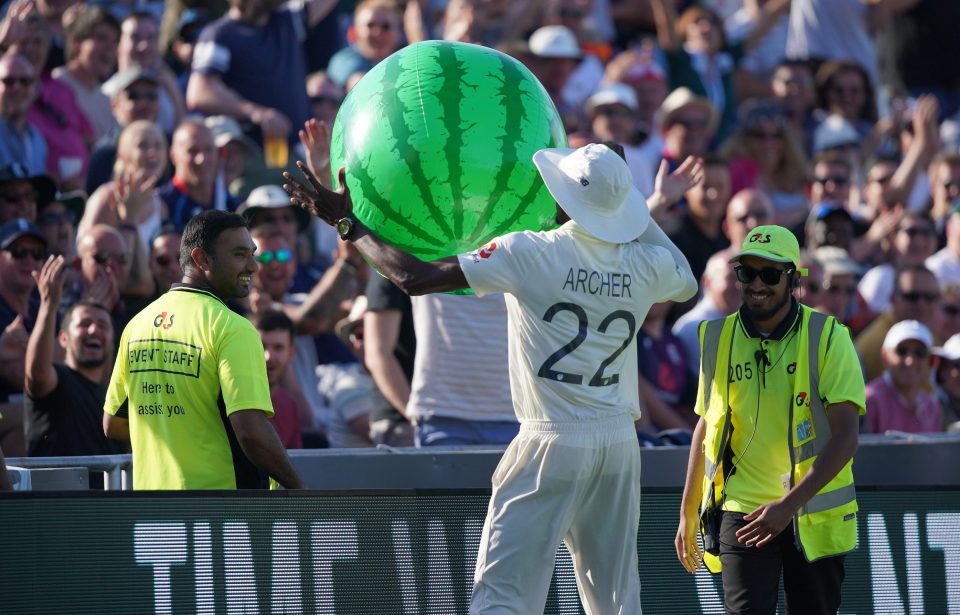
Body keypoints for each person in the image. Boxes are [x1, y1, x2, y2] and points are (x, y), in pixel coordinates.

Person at [284, 143, 701, 613]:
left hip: (551, 439)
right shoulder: (646, 264)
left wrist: (348, 224)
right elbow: (687, 278)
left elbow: (413, 279)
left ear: (563, 199)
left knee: (504, 595)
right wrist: (623, 204)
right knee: (616, 599)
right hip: (619, 441)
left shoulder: (529, 250)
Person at [675, 224, 865, 615]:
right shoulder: (716, 336)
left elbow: (846, 438)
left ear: (794, 278)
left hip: (811, 513)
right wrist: (687, 511)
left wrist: (786, 507)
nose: (757, 284)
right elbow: (706, 426)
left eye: (770, 274)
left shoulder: (829, 336)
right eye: (747, 272)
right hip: (741, 512)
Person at [103, 210, 303, 490]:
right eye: (239, 255)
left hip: (154, 517)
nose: (253, 266)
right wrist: (299, 489)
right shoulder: (233, 328)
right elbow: (251, 432)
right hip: (222, 514)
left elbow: (114, 423)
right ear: (202, 259)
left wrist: (176, 434)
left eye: (252, 253)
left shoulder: (137, 325)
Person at [24, 256, 123, 479]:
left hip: (109, 509)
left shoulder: (112, 396)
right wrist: (49, 307)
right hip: (61, 509)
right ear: (63, 338)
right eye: (84, 324)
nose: (93, 331)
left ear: (112, 340)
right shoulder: (58, 381)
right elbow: (36, 375)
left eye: (102, 325)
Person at [863, 320, 941, 435]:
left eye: (920, 353)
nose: (910, 361)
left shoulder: (932, 407)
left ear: (930, 362)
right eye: (902, 351)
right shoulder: (867, 401)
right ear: (885, 356)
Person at [251, 309, 303, 450]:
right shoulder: (227, 398)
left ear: (291, 353)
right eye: (261, 346)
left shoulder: (290, 407)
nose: (268, 356)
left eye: (278, 348)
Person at [0, 54, 47, 176]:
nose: (17, 88)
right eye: (8, 81)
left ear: (36, 89)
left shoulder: (37, 140)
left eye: (25, 81)